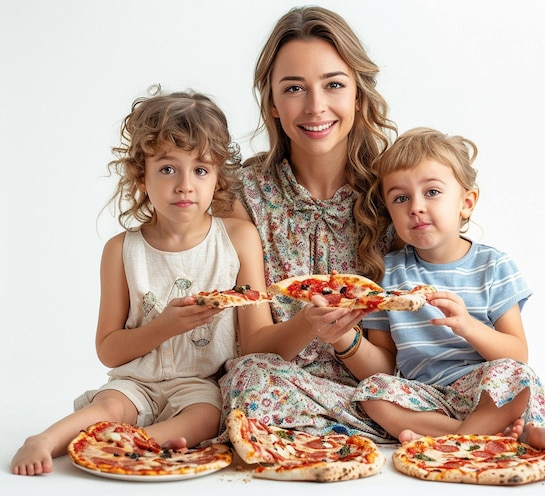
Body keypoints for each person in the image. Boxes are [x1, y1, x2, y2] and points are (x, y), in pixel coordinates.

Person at [11, 88, 273, 475]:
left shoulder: (237, 238)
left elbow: (254, 333)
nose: (185, 184)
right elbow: (109, 350)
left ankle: (137, 442)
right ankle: (45, 440)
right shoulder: (122, 250)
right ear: (141, 176)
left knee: (206, 416)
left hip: (199, 382)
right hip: (135, 379)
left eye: (200, 169)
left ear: (218, 178)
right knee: (109, 406)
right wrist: (164, 327)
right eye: (168, 168)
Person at [349, 126, 545, 472]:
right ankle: (496, 438)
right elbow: (385, 362)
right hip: (428, 398)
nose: (416, 207)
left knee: (514, 377)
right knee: (371, 391)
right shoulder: (386, 276)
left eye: (432, 192)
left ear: (466, 202)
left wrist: (469, 327)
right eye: (401, 198)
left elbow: (517, 354)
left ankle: (457, 441)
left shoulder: (493, 265)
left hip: (490, 395)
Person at [216, 5, 399, 443]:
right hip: (276, 383)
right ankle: (377, 430)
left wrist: (345, 341)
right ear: (273, 103)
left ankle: (338, 427)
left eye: (333, 85)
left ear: (358, 93)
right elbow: (252, 346)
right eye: (294, 88)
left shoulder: (395, 192)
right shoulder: (243, 196)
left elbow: (399, 361)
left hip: (378, 386)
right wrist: (311, 324)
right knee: (249, 379)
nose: (316, 107)